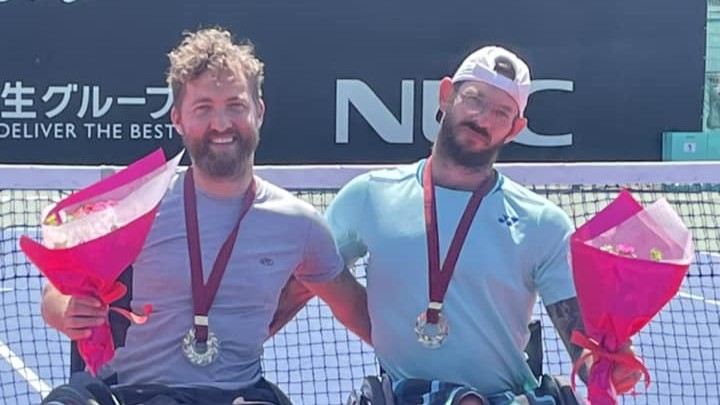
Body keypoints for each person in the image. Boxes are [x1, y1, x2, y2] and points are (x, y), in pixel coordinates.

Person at [39, 26, 370, 405]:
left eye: (235, 105)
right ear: (177, 118)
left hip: (236, 396)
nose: (221, 123)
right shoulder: (135, 205)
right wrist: (64, 310)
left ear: (258, 112)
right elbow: (57, 288)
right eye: (204, 109)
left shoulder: (300, 225)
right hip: (131, 393)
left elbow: (358, 312)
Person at [322, 46, 642, 404]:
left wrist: (609, 364)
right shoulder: (368, 196)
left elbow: (582, 344)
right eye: (474, 100)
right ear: (446, 95)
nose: (483, 119)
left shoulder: (543, 223)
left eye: (501, 112)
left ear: (515, 128)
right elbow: (310, 275)